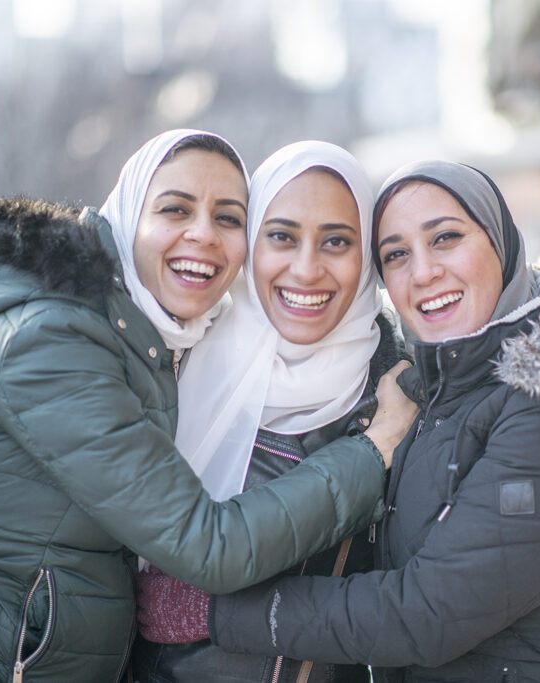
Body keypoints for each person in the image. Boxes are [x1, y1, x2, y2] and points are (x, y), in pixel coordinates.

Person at [0, 130, 416, 683]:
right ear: (129, 213)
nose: (204, 235)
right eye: (175, 209)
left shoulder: (167, 349)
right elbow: (203, 543)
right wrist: (371, 452)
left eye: (228, 218)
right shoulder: (61, 340)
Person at [208, 160, 540, 682]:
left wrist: (215, 612)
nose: (423, 272)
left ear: (500, 244)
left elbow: (429, 613)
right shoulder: (435, 392)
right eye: (396, 254)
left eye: (446, 238)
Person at [131, 140, 399, 682]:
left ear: (367, 255)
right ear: (251, 243)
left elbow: (427, 593)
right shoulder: (172, 361)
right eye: (281, 236)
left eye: (337, 241)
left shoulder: (399, 394)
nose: (306, 269)